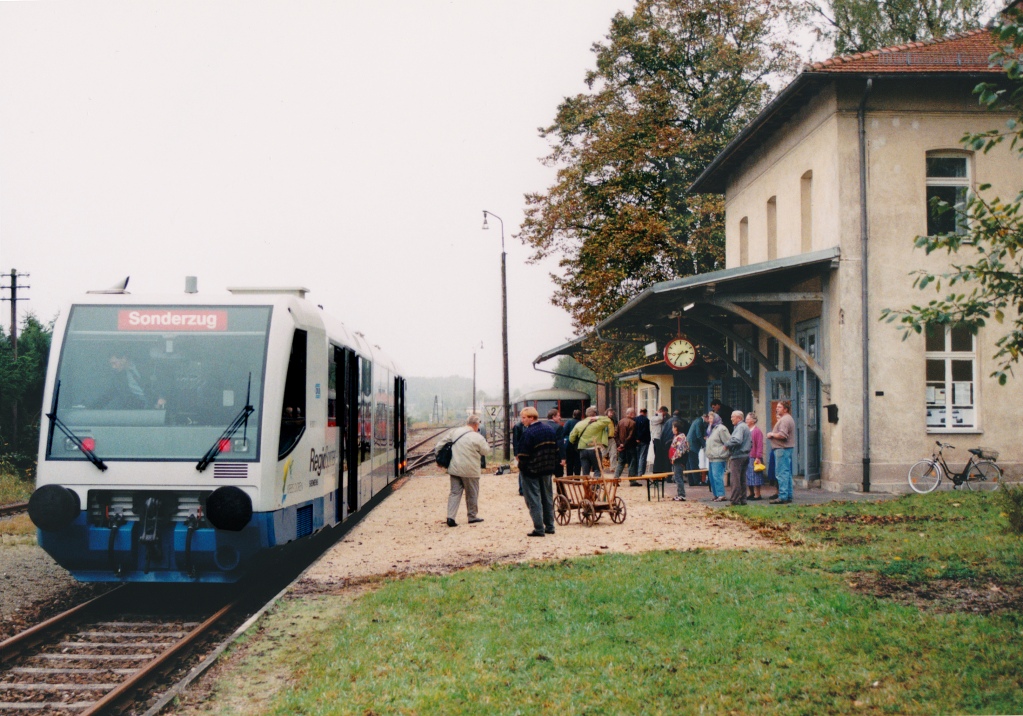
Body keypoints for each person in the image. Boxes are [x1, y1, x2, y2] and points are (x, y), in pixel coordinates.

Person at [436, 414, 491, 527]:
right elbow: (486, 451)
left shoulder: (455, 432)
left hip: (455, 468)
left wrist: (438, 457)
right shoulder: (478, 437)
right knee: (472, 493)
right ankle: (472, 516)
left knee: (454, 493)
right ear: (476, 425)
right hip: (471, 470)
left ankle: (451, 517)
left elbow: (439, 444)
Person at [516, 407, 559, 537]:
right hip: (546, 469)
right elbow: (556, 449)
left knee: (533, 499)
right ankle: (550, 526)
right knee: (547, 497)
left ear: (531, 418)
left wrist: (522, 467)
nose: (522, 420)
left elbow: (522, 454)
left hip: (531, 471)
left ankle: (539, 528)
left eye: (524, 417)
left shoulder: (529, 433)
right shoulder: (549, 429)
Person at [95, 353, 164, 410]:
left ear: (124, 359)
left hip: (159, 410)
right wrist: (91, 409)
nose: (113, 367)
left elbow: (161, 385)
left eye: (114, 363)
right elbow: (107, 396)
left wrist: (161, 400)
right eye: (111, 364)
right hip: (137, 413)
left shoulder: (147, 366)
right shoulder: (118, 380)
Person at [569, 406, 612, 477]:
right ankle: (595, 486)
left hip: (583, 449)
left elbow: (571, 438)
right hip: (594, 449)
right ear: (595, 414)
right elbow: (608, 420)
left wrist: (575, 442)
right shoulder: (598, 424)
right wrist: (597, 418)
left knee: (585, 471)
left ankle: (587, 486)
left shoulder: (579, 424)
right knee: (597, 469)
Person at [766, 400, 796, 504]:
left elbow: (783, 435)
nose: (776, 408)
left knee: (781, 473)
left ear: (785, 409)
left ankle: (783, 496)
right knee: (786, 473)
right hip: (784, 448)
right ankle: (788, 495)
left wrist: (771, 434)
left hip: (782, 448)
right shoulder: (788, 418)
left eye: (779, 407)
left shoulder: (785, 420)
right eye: (777, 407)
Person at [724, 410, 752, 506]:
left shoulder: (740, 427)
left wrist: (727, 444)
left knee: (735, 479)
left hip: (737, 456)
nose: (731, 418)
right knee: (742, 479)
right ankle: (743, 499)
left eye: (733, 417)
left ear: (739, 418)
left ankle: (735, 501)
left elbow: (737, 440)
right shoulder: (745, 427)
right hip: (745, 455)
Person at [704, 412, 730, 502]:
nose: (709, 420)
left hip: (718, 456)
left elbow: (728, 441)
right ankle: (716, 494)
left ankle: (721, 494)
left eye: (711, 418)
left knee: (717, 476)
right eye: (709, 418)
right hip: (712, 456)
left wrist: (724, 449)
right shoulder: (711, 429)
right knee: (711, 477)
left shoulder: (721, 429)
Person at [615, 407, 638, 484]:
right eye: (634, 413)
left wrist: (619, 444)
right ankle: (632, 480)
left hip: (622, 447)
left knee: (621, 463)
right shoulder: (633, 423)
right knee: (632, 462)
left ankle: (615, 479)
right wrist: (624, 444)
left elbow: (615, 434)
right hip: (630, 446)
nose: (635, 415)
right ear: (631, 414)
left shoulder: (620, 421)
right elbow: (630, 436)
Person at [746, 412, 765, 500]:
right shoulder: (746, 430)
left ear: (753, 421)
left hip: (754, 456)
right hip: (747, 455)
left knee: (756, 476)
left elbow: (760, 445)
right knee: (748, 475)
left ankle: (757, 494)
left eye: (748, 419)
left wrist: (758, 457)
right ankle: (751, 493)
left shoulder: (757, 431)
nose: (746, 420)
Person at [669, 421, 690, 501]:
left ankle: (681, 494)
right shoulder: (678, 436)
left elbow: (680, 450)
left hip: (679, 460)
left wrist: (674, 458)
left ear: (676, 428)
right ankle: (679, 493)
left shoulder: (680, 437)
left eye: (673, 427)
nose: (672, 429)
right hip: (677, 460)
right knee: (677, 476)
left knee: (678, 477)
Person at [685, 414, 706, 485]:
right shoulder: (699, 422)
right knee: (694, 463)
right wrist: (704, 445)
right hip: (693, 445)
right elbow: (699, 435)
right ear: (706, 417)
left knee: (689, 463)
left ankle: (691, 481)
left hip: (689, 444)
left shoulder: (697, 420)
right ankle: (697, 481)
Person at [652, 406, 673, 473]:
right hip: (657, 438)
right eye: (664, 413)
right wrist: (660, 413)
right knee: (658, 455)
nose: (665, 415)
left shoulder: (664, 417)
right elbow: (660, 419)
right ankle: (656, 470)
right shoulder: (655, 418)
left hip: (661, 438)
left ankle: (660, 469)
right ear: (662, 411)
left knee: (660, 454)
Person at [562, 409, 582, 476]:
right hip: (579, 444)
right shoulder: (581, 423)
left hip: (569, 444)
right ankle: (577, 478)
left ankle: (569, 477)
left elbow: (564, 432)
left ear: (573, 415)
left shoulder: (569, 422)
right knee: (577, 462)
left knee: (569, 462)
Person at [634, 408, 652, 476]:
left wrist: (636, 438)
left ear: (640, 412)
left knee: (637, 456)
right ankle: (640, 472)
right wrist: (640, 438)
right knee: (643, 456)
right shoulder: (646, 420)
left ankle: (636, 471)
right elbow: (645, 430)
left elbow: (634, 430)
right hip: (644, 440)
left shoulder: (635, 419)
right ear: (645, 413)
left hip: (636, 441)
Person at [605, 407, 619, 474]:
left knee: (614, 453)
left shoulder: (613, 420)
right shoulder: (605, 420)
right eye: (610, 412)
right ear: (607, 413)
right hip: (606, 438)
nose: (611, 414)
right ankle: (595, 465)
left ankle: (613, 467)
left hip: (612, 438)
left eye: (612, 413)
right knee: (603, 452)